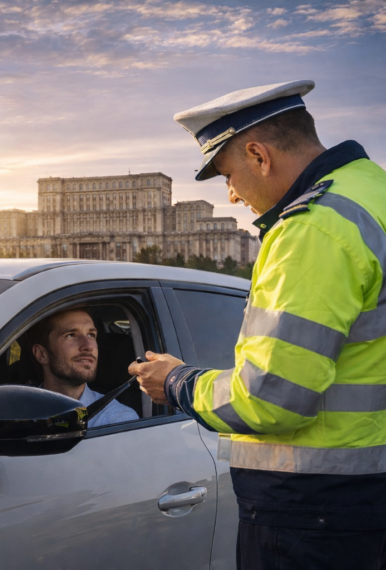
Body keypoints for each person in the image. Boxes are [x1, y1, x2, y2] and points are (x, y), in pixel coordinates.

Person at [130, 80, 386, 569]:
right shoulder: (371, 192)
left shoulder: (314, 227)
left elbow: (272, 398)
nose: (231, 195)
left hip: (315, 511)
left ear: (258, 155)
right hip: (362, 497)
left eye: (228, 175)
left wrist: (178, 382)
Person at [28, 308, 138, 427]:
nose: (88, 346)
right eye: (71, 335)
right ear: (41, 354)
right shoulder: (18, 412)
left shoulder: (117, 420)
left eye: (91, 335)